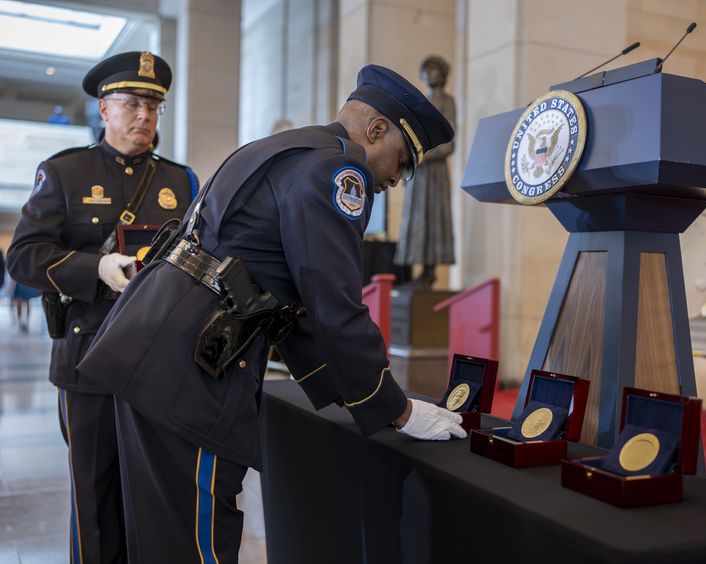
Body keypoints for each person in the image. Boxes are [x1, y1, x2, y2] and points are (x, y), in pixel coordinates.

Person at [77, 64, 465, 562]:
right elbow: (335, 306)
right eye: (404, 160)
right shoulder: (338, 171)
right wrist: (398, 408)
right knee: (197, 544)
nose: (396, 178)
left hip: (152, 355)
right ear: (375, 130)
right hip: (192, 378)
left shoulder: (282, 149)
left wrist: (365, 398)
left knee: (159, 538)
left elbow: (290, 303)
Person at [7, 51, 197, 564]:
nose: (144, 117)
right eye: (132, 104)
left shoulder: (181, 183)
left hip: (160, 364)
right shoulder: (65, 172)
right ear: (104, 110)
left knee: (156, 494)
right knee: (94, 494)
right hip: (87, 356)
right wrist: (93, 268)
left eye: (153, 107)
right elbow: (23, 257)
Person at [394, 55, 456, 287]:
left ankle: (430, 271)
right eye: (427, 71)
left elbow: (449, 143)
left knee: (433, 218)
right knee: (416, 218)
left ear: (443, 74)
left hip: (434, 173)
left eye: (435, 70)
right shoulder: (424, 103)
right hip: (419, 172)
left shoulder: (447, 101)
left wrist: (420, 156)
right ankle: (420, 270)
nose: (431, 75)